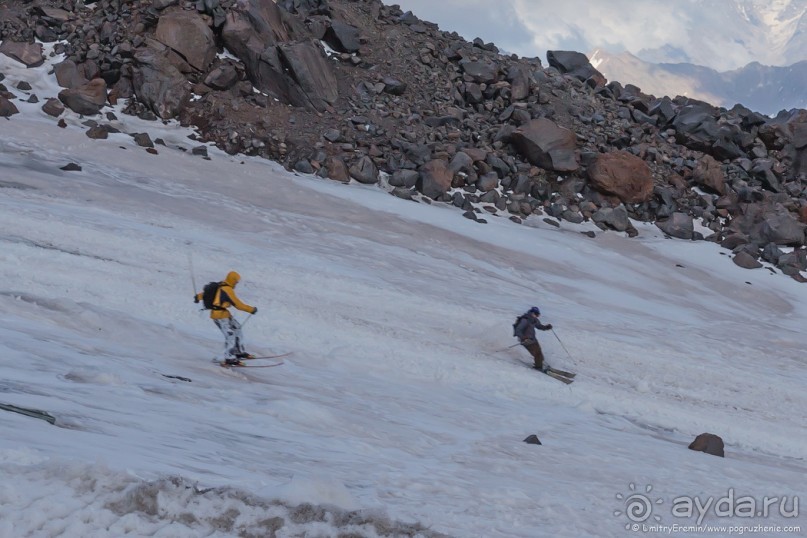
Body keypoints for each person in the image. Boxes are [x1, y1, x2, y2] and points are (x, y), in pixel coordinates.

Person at [195, 271, 258, 365]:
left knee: (237, 328)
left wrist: (197, 297)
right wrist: (251, 309)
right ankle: (229, 358)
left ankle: (239, 352)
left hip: (224, 313)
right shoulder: (227, 289)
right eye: (236, 282)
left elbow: (205, 294)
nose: (236, 284)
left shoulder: (220, 285)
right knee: (230, 335)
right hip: (219, 316)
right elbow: (238, 305)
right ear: (232, 280)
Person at [514, 306, 553, 371]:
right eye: (536, 314)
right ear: (532, 313)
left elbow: (539, 326)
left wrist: (546, 327)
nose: (537, 316)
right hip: (526, 340)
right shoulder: (525, 320)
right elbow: (518, 330)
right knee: (537, 353)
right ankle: (538, 367)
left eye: (538, 315)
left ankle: (539, 364)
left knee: (539, 352)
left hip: (533, 339)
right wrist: (524, 338)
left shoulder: (534, 320)